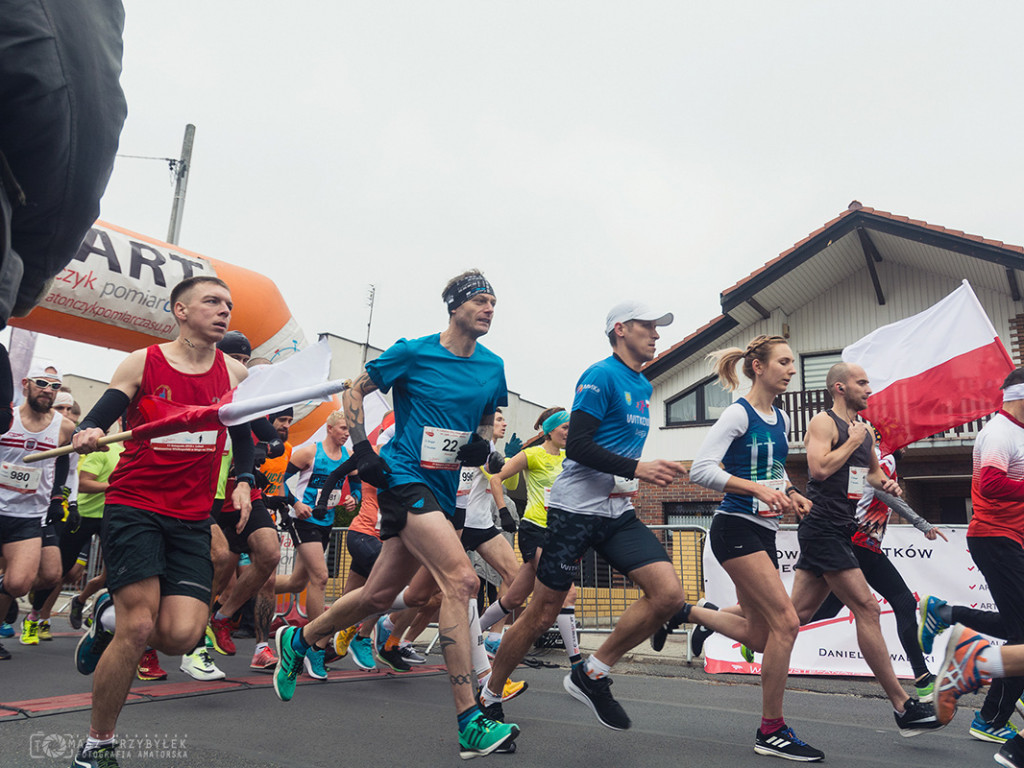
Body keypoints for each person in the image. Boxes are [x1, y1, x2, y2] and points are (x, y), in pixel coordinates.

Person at [272, 269, 519, 759]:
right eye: (481, 301)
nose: (490, 309)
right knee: (463, 583)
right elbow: (354, 391)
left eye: (495, 302)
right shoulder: (413, 350)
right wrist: (364, 450)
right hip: (403, 479)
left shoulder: (493, 366)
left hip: (443, 492)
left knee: (380, 594)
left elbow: (487, 424)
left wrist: (479, 446)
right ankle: (469, 719)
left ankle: (300, 638)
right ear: (455, 307)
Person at [69, 276, 256, 768]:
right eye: (212, 302)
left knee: (178, 636)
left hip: (191, 514)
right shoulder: (143, 362)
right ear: (180, 309)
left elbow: (244, 434)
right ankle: (98, 745)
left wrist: (243, 478)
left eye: (229, 305)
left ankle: (103, 619)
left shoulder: (234, 373)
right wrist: (90, 430)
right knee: (140, 625)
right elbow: (104, 411)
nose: (224, 311)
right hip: (135, 504)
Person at [481, 300, 687, 735]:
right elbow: (579, 446)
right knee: (542, 612)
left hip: (616, 511)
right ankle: (489, 696)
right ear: (620, 330)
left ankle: (590, 673)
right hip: (573, 511)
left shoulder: (642, 385)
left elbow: (617, 449)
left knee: (668, 595)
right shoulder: (600, 375)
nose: (655, 334)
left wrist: (642, 472)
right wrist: (639, 468)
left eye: (657, 327)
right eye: (647, 326)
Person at [677, 334, 825, 761]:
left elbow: (773, 470)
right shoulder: (736, 415)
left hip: (763, 532)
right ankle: (771, 730)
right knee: (788, 623)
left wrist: (791, 492)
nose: (792, 370)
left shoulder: (780, 418)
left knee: (762, 637)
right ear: (758, 367)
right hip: (734, 528)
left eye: (793, 363)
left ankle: (688, 613)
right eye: (784, 362)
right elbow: (701, 471)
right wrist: (756, 490)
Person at [787, 362, 938, 735]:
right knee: (867, 607)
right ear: (840, 388)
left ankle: (700, 617)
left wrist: (888, 485)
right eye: (862, 382)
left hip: (842, 527)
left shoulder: (866, 431)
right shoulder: (824, 423)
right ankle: (904, 707)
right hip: (823, 527)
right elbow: (818, 469)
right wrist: (853, 441)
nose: (869, 388)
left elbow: (871, 474)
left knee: (794, 616)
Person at [930, 366, 1024, 768]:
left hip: (1010, 540)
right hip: (994, 538)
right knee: (1020, 631)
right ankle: (989, 715)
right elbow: (990, 482)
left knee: (1016, 626)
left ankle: (948, 618)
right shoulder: (1000, 432)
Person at [804, 440, 947, 703]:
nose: (909, 447)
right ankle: (923, 679)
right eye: (907, 441)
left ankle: (762, 629)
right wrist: (922, 523)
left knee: (821, 610)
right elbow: (882, 492)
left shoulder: (878, 457)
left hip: (857, 544)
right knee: (903, 601)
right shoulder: (886, 458)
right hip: (859, 544)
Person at [481, 407, 579, 666]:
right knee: (568, 593)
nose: (569, 432)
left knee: (513, 598)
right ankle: (578, 666)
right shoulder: (532, 455)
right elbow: (497, 480)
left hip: (559, 534)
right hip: (535, 530)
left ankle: (470, 637)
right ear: (549, 430)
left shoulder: (570, 458)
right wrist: (503, 512)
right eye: (565, 427)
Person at [274, 410, 360, 679]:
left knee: (296, 582)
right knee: (321, 577)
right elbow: (283, 484)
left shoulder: (347, 458)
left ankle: (254, 586)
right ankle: (313, 645)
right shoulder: (309, 452)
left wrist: (352, 499)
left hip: (327, 522)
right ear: (330, 428)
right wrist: (295, 503)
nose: (347, 433)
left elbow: (355, 486)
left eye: (349, 429)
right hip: (303, 520)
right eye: (343, 428)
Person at [0, 365, 75, 660]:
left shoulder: (64, 427)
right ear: (26, 384)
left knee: (19, 583)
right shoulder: (7, 419)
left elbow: (64, 463)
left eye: (54, 386)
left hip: (30, 516)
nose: (47, 390)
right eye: (41, 383)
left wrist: (60, 497)